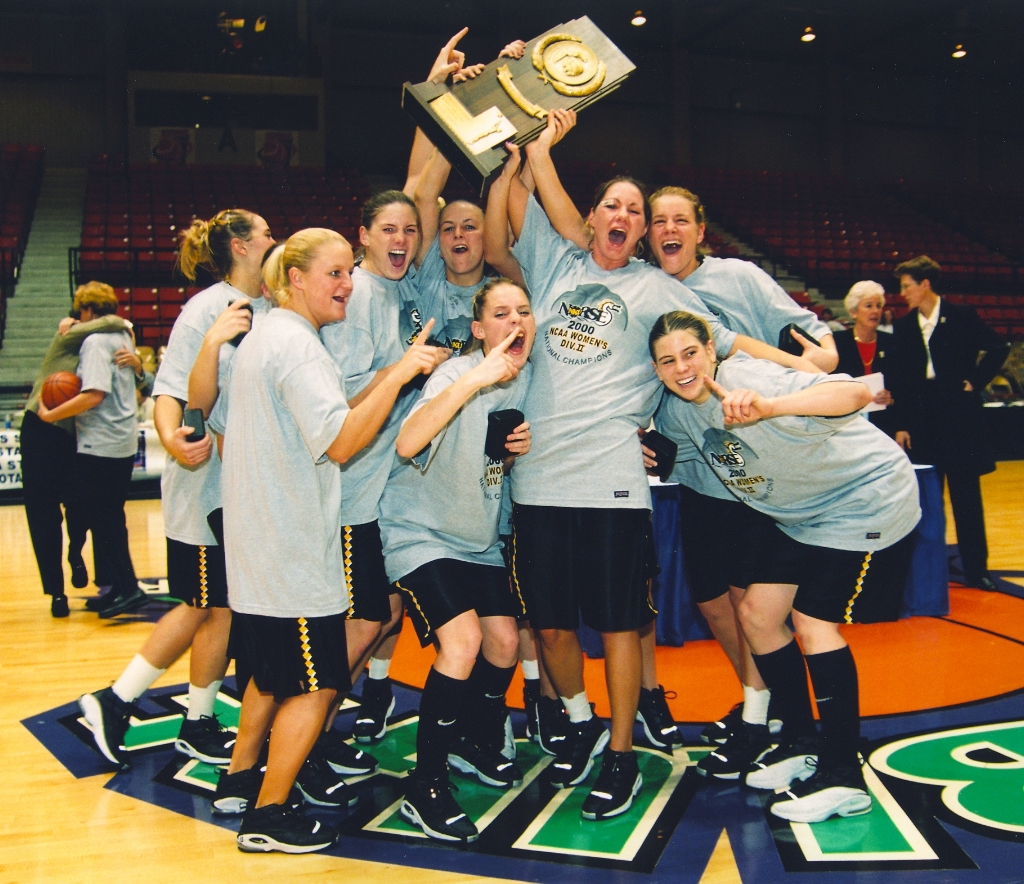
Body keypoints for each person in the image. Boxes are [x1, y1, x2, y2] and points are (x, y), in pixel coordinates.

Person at [495, 127, 812, 820]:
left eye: (635, 210)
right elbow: (540, 199)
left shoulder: (656, 290)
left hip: (610, 484)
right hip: (537, 482)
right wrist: (540, 145)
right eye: (613, 205)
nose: (623, 216)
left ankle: (621, 753)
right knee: (550, 626)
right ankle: (576, 722)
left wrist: (801, 368)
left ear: (641, 233)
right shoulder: (555, 264)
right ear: (592, 218)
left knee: (615, 627)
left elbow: (722, 345)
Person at [650, 310, 920, 823]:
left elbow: (855, 393)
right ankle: (799, 741)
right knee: (757, 614)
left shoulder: (751, 377)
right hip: (803, 516)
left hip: (866, 498)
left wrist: (772, 407)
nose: (682, 368)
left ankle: (844, 774)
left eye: (690, 353)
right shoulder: (676, 413)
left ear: (712, 351)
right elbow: (685, 459)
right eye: (667, 361)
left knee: (813, 622)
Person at [220, 228, 439, 853]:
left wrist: (387, 379)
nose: (349, 285)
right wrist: (398, 375)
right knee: (316, 683)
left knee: (271, 673)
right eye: (336, 273)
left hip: (262, 543)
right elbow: (342, 442)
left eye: (349, 272)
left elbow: (329, 419)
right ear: (294, 278)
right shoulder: (299, 348)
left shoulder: (269, 339)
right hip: (288, 548)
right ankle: (268, 816)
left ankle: (239, 781)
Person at [77, 209, 273, 769]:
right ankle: (115, 700)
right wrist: (173, 438)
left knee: (223, 609)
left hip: (245, 489)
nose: (273, 240)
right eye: (264, 234)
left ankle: (200, 718)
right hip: (204, 486)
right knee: (199, 606)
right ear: (240, 246)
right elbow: (168, 393)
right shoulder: (205, 310)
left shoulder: (272, 304)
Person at [378, 278, 533, 843]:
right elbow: (407, 442)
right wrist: (472, 378)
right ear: (478, 328)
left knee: (506, 644)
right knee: (462, 642)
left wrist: (513, 457)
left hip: (477, 539)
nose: (514, 322)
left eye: (523, 311)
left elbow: (484, 462)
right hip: (419, 532)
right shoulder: (455, 372)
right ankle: (426, 784)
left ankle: (472, 736)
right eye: (500, 313)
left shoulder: (527, 379)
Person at [888, 256, 1010, 592]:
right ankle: (929, 571)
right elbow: (900, 381)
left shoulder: (962, 315)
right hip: (923, 422)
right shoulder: (902, 325)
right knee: (927, 500)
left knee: (966, 499)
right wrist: (902, 424)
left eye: (906, 286)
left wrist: (976, 380)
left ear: (924, 285)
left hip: (959, 420)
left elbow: (999, 347)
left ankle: (977, 570)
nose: (903, 294)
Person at [19, 293, 135, 617]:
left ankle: (76, 555)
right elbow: (116, 321)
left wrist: (137, 362)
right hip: (41, 427)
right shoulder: (69, 336)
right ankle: (56, 592)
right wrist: (123, 322)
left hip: (74, 432)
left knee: (82, 506)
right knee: (43, 513)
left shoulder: (104, 340)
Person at [832, 280, 896, 434]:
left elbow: (903, 387)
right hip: (845, 424)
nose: (875, 311)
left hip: (884, 423)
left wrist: (892, 399)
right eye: (869, 306)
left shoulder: (892, 342)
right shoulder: (837, 342)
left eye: (878, 306)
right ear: (854, 311)